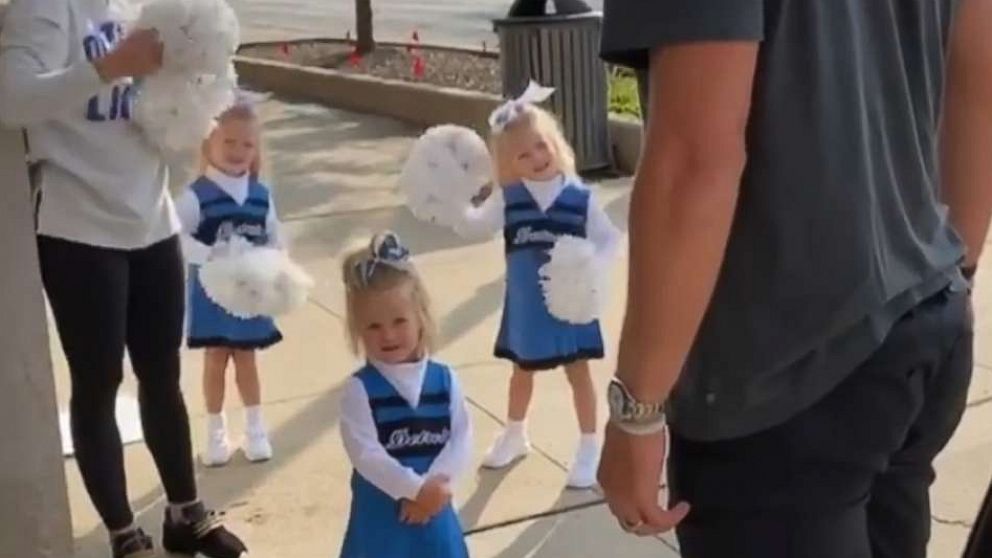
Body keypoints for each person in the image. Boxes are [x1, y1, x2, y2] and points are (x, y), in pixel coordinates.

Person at [596, 1, 992, 558]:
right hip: (921, 319)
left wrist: (636, 410)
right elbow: (977, 70)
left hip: (783, 370)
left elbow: (694, 159)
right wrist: (957, 267)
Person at [0, 1, 248, 557]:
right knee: (98, 385)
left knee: (163, 375)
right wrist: (107, 67)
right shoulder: (43, 9)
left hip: (151, 217)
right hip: (78, 226)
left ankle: (186, 515)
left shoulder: (136, 4)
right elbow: (10, 99)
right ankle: (123, 533)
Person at [456, 93, 621, 489]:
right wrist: (452, 203)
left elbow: (610, 240)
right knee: (522, 369)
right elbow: (476, 225)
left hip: (572, 305)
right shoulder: (509, 200)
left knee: (578, 371)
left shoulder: (579, 198)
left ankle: (588, 444)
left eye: (540, 146)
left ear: (555, 143)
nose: (536, 158)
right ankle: (516, 433)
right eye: (522, 156)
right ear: (507, 166)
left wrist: (590, 265)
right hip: (527, 307)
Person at [338, 232, 472, 558]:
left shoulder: (445, 380)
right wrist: (414, 489)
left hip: (435, 511)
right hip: (382, 520)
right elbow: (366, 454)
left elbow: (461, 439)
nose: (388, 334)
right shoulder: (360, 390)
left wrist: (434, 491)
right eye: (372, 326)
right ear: (357, 329)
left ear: (421, 317)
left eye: (399, 321)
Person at [176, 99, 282, 467]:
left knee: (247, 358)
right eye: (229, 142)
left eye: (247, 144)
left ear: (256, 150)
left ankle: (255, 427)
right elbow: (178, 236)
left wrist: (272, 268)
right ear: (209, 143)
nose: (238, 151)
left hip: (250, 295)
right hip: (212, 295)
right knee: (216, 358)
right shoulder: (196, 195)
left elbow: (274, 238)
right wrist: (209, 256)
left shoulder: (261, 195)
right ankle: (215, 431)